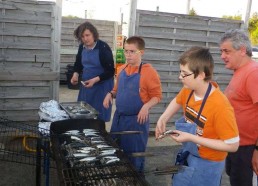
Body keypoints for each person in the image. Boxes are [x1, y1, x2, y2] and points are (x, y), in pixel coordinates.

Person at [155, 46, 239, 186]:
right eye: (180, 72)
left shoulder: (220, 106)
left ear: (200, 75)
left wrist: (190, 137)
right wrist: (163, 118)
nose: (180, 77)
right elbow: (177, 101)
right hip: (189, 155)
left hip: (209, 165)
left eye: (184, 74)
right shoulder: (188, 90)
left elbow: (232, 145)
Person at [103, 36, 162, 173]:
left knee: (135, 157)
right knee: (116, 153)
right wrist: (110, 94)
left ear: (141, 52)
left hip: (137, 122)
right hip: (119, 120)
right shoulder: (121, 69)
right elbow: (117, 89)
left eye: (131, 51)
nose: (127, 55)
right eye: (125, 51)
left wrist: (146, 106)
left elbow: (157, 96)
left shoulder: (149, 72)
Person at [219, 29, 258, 186]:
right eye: (221, 51)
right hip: (235, 144)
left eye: (226, 51)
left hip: (247, 149)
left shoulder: (253, 73)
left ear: (242, 50)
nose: (222, 56)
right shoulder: (239, 71)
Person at [70, 21, 115, 122]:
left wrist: (95, 80)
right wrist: (75, 75)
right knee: (84, 113)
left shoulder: (103, 48)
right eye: (82, 36)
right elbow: (78, 63)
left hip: (102, 87)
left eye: (87, 35)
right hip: (87, 86)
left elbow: (110, 71)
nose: (85, 39)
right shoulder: (82, 47)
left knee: (99, 117)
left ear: (94, 34)